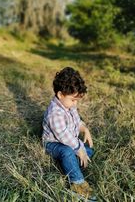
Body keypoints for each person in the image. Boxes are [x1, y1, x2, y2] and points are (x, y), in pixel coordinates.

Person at [42, 67, 96, 201]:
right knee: (67, 151)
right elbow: (63, 135)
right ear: (60, 95)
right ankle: (77, 184)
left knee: (88, 150)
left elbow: (76, 120)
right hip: (53, 143)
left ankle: (69, 164)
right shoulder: (55, 113)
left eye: (77, 100)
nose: (75, 103)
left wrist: (84, 128)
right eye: (73, 100)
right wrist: (78, 148)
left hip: (68, 141)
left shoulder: (69, 105)